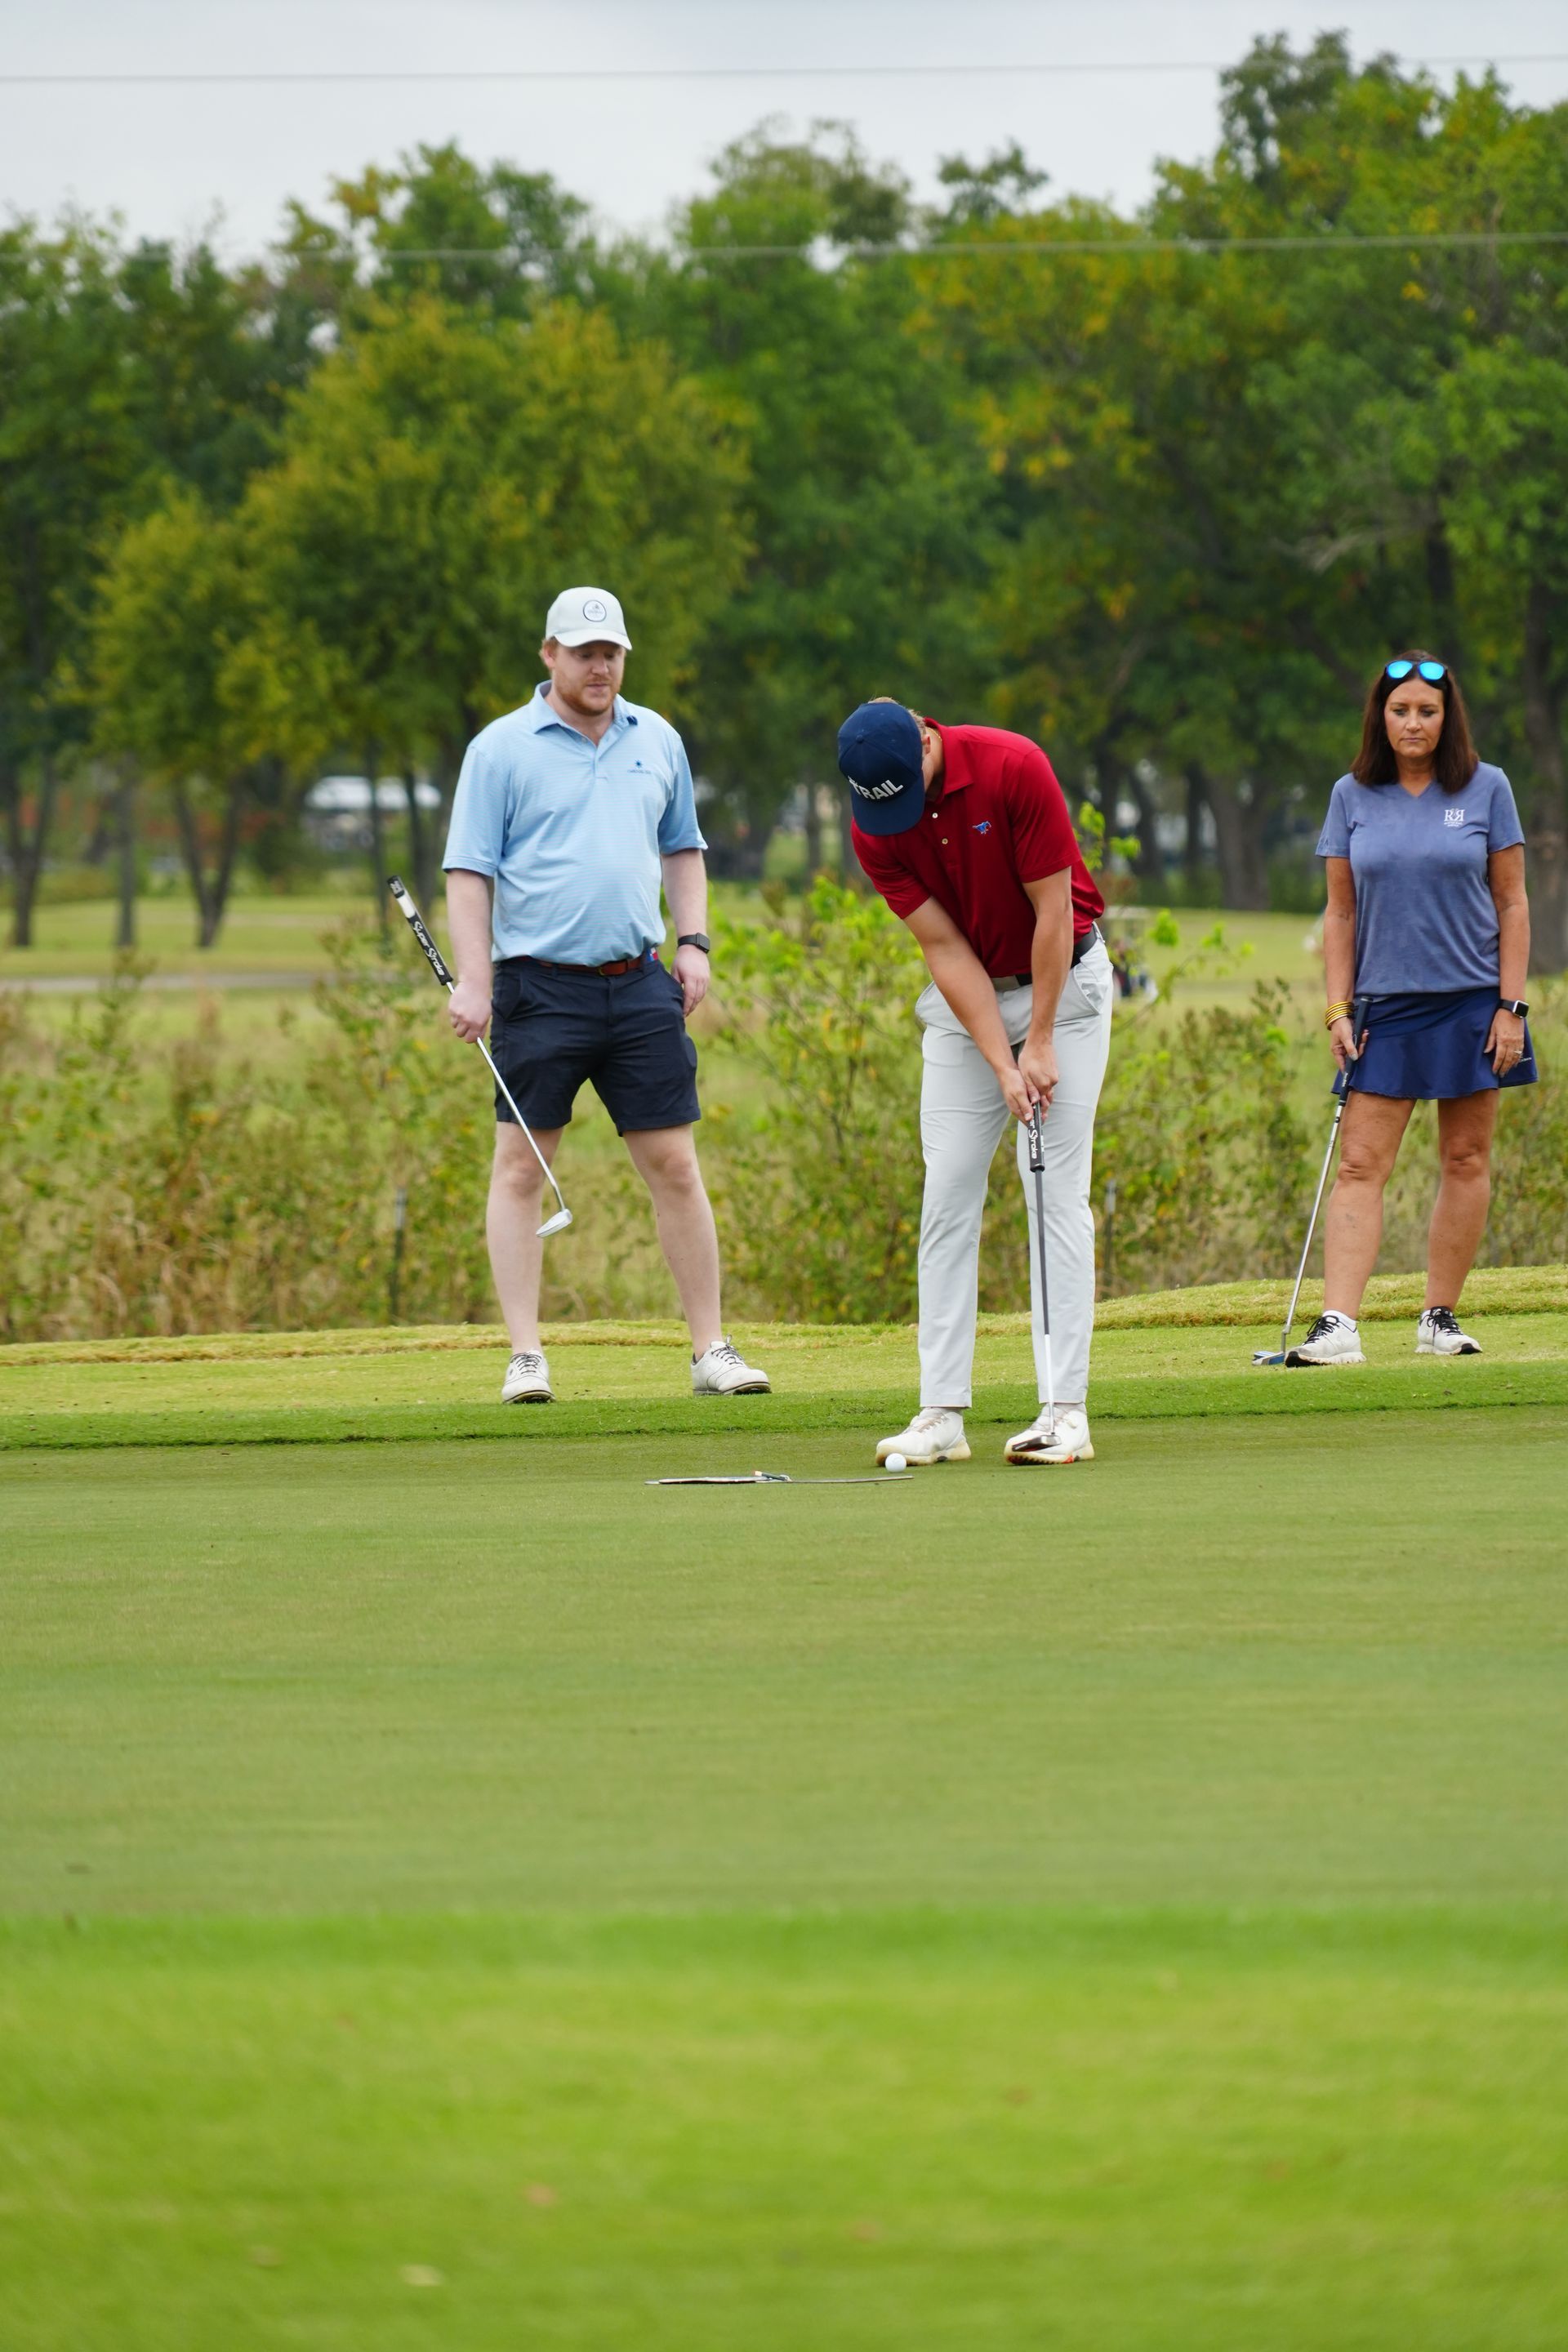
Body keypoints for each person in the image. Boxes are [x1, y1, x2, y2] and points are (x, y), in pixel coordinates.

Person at [442, 585, 768, 1402]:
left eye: (611, 653)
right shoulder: (501, 748)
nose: (599, 667)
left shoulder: (656, 738)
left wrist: (693, 943)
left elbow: (683, 849)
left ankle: (711, 1350)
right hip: (536, 989)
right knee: (521, 1168)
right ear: (549, 654)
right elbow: (468, 873)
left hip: (637, 985)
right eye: (583, 652)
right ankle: (525, 1357)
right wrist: (476, 979)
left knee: (675, 1165)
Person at [836, 699, 1112, 1464]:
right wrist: (1001, 1061)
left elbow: (1053, 913)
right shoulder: (874, 823)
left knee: (1055, 1194)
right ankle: (942, 1412)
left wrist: (1042, 1041)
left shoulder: (1013, 766)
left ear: (927, 738)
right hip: (970, 1004)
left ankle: (1064, 1411)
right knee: (948, 1190)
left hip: (1067, 987)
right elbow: (945, 949)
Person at [1287, 651, 1535, 1367]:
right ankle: (1338, 1325)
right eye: (1401, 711)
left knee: (1465, 1156)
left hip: (1473, 1003)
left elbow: (1513, 902)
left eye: (1428, 711)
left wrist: (1511, 1006)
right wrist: (1337, 1009)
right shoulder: (1351, 795)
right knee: (1362, 1164)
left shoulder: (1488, 789)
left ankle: (1439, 1315)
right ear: (1381, 717)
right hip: (1383, 1007)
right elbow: (1339, 914)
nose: (1414, 723)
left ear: (1447, 716)